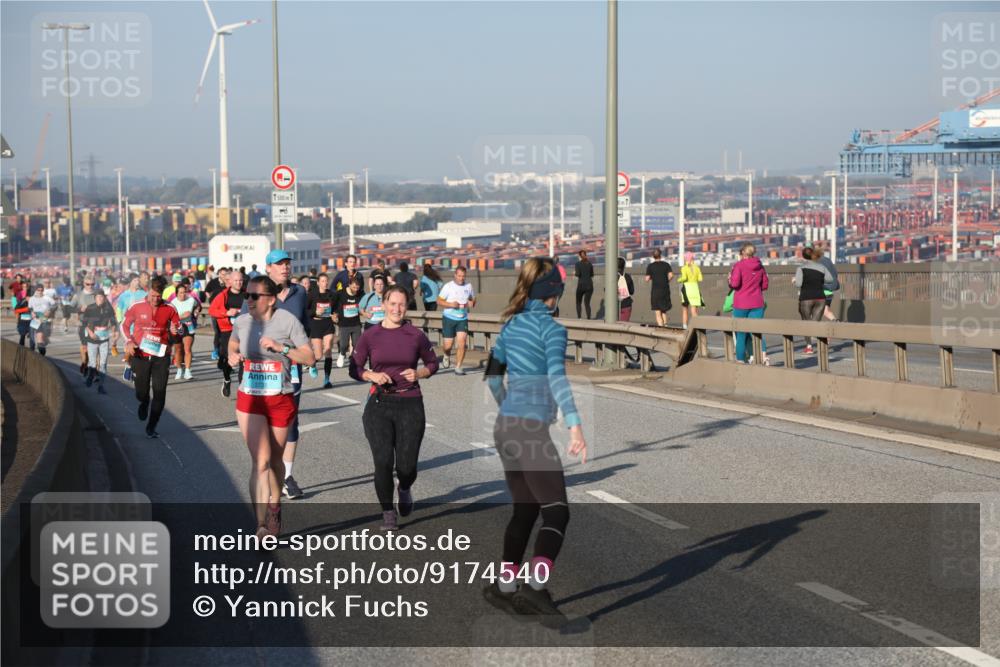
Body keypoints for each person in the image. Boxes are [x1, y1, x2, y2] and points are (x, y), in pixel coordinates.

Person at [482, 257, 587, 626]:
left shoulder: (510, 327)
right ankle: (536, 587)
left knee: (526, 510)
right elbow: (558, 378)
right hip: (528, 430)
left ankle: (504, 586)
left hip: (505, 427)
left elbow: (493, 379)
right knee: (557, 510)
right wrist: (574, 423)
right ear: (554, 295)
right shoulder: (554, 331)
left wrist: (510, 407)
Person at [229, 275, 315, 538]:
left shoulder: (288, 321)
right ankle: (261, 525)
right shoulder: (242, 321)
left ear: (270, 298)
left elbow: (310, 356)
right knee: (261, 461)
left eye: (255, 296)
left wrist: (282, 347)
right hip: (251, 397)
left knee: (275, 460)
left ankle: (275, 508)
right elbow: (233, 342)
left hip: (280, 396)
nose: (249, 301)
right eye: (247, 295)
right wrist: (232, 354)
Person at [349, 285, 439, 531]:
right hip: (379, 404)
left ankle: (405, 487)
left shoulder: (415, 335)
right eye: (392, 303)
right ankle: (388, 512)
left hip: (410, 402)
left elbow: (433, 363)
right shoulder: (371, 335)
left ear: (406, 306)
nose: (397, 309)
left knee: (407, 467)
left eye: (401, 304)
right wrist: (370, 375)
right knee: (383, 461)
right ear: (384, 304)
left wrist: (419, 371)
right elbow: (354, 367)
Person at [264, 250, 311, 501]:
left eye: (287, 264)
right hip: (263, 369)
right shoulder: (257, 292)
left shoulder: (300, 293)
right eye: (280, 264)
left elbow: (305, 326)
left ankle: (286, 476)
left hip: (291, 367)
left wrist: (308, 353)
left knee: (290, 421)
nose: (285, 268)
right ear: (268, 267)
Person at [120, 276, 180, 439]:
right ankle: (144, 402)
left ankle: (151, 426)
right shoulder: (137, 306)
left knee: (160, 392)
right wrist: (129, 342)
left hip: (161, 356)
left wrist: (176, 330)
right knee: (141, 392)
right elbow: (124, 325)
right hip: (140, 354)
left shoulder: (170, 307)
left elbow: (180, 330)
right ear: (148, 291)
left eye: (158, 297)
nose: (155, 299)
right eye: (153, 295)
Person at [728, 243, 770, 364]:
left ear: (743, 254)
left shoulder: (739, 265)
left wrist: (729, 280)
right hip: (757, 303)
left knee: (741, 334)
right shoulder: (760, 266)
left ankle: (741, 360)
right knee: (756, 332)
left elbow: (735, 284)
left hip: (741, 303)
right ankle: (763, 358)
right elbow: (765, 285)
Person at [208, 271, 246, 397]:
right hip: (228, 331)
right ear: (230, 281)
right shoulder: (223, 295)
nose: (239, 283)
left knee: (244, 358)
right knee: (227, 358)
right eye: (236, 280)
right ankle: (227, 379)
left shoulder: (247, 294)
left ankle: (243, 387)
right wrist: (227, 313)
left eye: (240, 280)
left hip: (244, 330)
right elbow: (212, 310)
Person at [794, 247, 836, 355]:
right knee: (816, 323)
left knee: (806, 323)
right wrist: (819, 279)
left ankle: (809, 347)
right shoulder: (821, 267)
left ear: (803, 256)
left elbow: (798, 284)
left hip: (806, 298)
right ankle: (823, 342)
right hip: (820, 298)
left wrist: (794, 280)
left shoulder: (801, 268)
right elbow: (830, 279)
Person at [437, 266, 476, 375]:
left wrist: (472, 303)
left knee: (462, 343)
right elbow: (439, 301)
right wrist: (450, 304)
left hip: (462, 319)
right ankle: (446, 355)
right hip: (449, 318)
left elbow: (473, 299)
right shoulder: (448, 286)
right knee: (448, 346)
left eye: (463, 276)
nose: (461, 278)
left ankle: (458, 367)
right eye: (459, 276)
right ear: (455, 275)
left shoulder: (469, 286)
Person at [81, 288, 118, 394]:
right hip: (92, 339)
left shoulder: (108, 308)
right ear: (95, 298)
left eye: (102, 297)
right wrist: (91, 333)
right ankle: (90, 375)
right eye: (98, 297)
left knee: (103, 363)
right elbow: (84, 323)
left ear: (104, 298)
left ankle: (101, 386)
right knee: (92, 363)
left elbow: (113, 321)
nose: (100, 299)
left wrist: (114, 332)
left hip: (104, 339)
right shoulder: (90, 308)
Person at [307, 273, 336, 388]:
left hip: (328, 324)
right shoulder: (312, 295)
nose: (325, 283)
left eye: (326, 281)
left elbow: (335, 310)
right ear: (318, 282)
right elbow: (306, 311)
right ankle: (312, 364)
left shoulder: (332, 295)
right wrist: (315, 313)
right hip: (316, 325)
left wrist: (335, 315)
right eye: (322, 281)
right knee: (318, 355)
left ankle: (327, 379)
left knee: (328, 350)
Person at [170, 283, 201, 380]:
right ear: (176, 293)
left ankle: (187, 371)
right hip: (177, 327)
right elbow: (170, 318)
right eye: (180, 293)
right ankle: (179, 369)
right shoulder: (172, 303)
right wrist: (181, 316)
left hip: (188, 326)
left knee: (187, 349)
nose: (183, 295)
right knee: (178, 350)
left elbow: (198, 306)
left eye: (184, 292)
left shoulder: (191, 300)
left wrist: (196, 311)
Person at [333, 278, 363, 369]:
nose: (356, 287)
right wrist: (334, 314)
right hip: (344, 324)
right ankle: (342, 354)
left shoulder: (361, 294)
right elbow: (332, 304)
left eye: (358, 286)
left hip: (356, 323)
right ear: (349, 285)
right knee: (344, 345)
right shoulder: (340, 293)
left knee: (356, 344)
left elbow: (366, 302)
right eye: (354, 285)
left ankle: (354, 359)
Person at [71, 278, 98, 375]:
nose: (90, 286)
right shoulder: (78, 295)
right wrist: (80, 309)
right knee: (84, 347)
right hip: (83, 324)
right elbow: (70, 308)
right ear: (84, 284)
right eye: (88, 284)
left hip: (96, 324)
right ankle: (84, 362)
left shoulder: (97, 294)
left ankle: (94, 368)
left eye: (92, 284)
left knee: (95, 346)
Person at [644, 248, 674, 327]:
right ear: (660, 255)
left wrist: (652, 277)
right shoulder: (666, 264)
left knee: (657, 311)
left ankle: (661, 328)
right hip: (665, 290)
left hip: (656, 291)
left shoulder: (650, 266)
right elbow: (671, 275)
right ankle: (665, 325)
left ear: (653, 256)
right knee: (663, 311)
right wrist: (666, 281)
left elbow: (646, 279)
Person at [677, 252, 705, 329]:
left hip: (687, 289)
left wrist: (678, 280)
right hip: (695, 289)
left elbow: (684, 278)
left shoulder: (684, 268)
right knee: (694, 311)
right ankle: (697, 326)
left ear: (685, 259)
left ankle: (685, 327)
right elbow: (700, 279)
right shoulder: (697, 268)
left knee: (685, 309)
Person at [813, 245, 841, 321]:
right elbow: (835, 273)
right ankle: (837, 323)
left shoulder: (816, 262)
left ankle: (813, 327)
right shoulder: (828, 260)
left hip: (823, 289)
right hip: (829, 290)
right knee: (826, 311)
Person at [29, 284, 57, 356]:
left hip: (44, 318)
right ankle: (33, 353)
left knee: (41, 337)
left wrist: (49, 311)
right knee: (32, 336)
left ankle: (42, 353)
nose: (40, 292)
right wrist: (32, 312)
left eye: (41, 290)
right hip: (35, 318)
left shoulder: (47, 298)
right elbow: (30, 308)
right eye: (38, 290)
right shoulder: (32, 299)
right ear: (35, 290)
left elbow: (55, 305)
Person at [574, 250, 594, 319]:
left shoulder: (577, 264)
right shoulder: (589, 264)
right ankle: (588, 318)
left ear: (579, 256)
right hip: (589, 285)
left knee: (578, 302)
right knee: (587, 303)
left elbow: (578, 274)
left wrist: (575, 273)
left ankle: (579, 317)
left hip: (581, 285)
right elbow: (592, 274)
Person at [616, 257, 635, 322]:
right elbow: (632, 291)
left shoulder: (612, 276)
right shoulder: (628, 276)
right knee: (623, 325)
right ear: (624, 266)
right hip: (626, 304)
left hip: (613, 305)